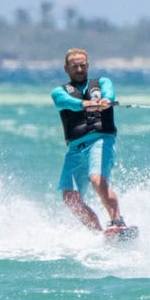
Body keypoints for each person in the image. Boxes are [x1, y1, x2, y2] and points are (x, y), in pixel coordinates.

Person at [52, 48, 128, 235]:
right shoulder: (59, 92)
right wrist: (84, 104)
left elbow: (109, 93)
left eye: (83, 65)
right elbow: (64, 102)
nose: (79, 69)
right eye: (74, 66)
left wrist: (106, 100)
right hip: (76, 148)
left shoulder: (102, 83)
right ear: (66, 68)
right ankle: (98, 233)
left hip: (101, 140)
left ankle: (117, 221)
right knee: (70, 197)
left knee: (97, 179)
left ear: (88, 66)